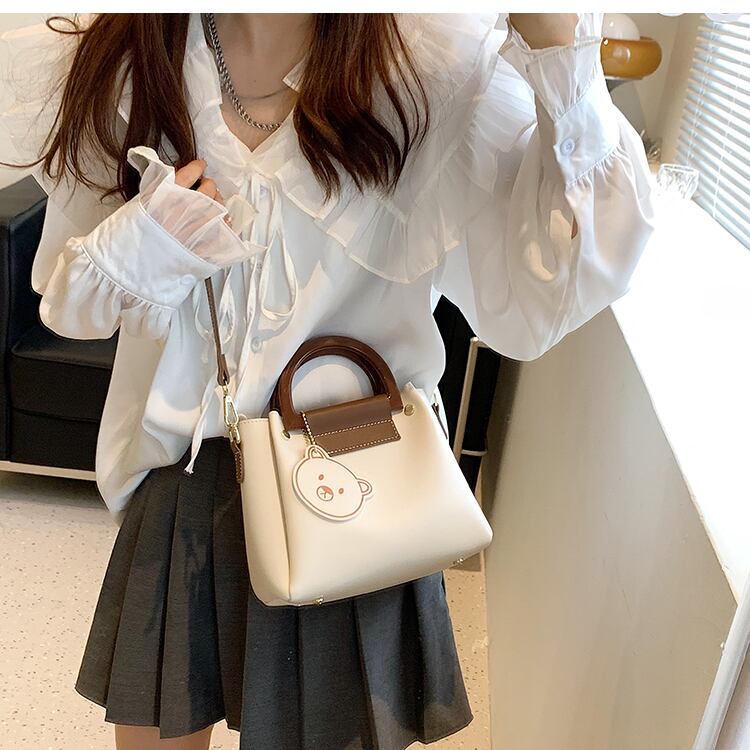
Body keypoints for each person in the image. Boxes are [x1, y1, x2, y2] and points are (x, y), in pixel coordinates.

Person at [0, 12, 655, 750]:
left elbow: (559, 285)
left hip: (358, 474)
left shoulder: (433, 67)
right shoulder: (128, 57)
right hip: (184, 474)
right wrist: (148, 240)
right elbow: (69, 305)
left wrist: (561, 47)